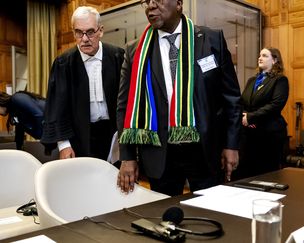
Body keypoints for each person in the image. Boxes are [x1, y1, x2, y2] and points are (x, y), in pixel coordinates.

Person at [117, 0, 241, 196]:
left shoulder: (211, 39)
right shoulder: (135, 52)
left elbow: (231, 98)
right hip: (159, 155)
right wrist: (127, 156)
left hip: (204, 150)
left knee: (209, 213)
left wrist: (231, 144)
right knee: (167, 219)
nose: (151, 6)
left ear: (179, 3)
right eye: (147, 1)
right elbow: (124, 107)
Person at [41, 6, 125, 160]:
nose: (85, 39)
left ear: (101, 30)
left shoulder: (118, 57)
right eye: (79, 32)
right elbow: (57, 107)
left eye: (90, 32)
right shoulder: (63, 63)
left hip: (114, 135)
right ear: (74, 33)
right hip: (78, 136)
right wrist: (64, 145)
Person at [236, 47, 289, 179]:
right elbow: (242, 102)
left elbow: (275, 105)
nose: (260, 58)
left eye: (265, 56)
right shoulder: (252, 80)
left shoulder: (280, 80)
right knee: (246, 173)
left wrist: (251, 117)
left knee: (266, 175)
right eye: (259, 55)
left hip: (269, 134)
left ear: (275, 60)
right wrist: (244, 116)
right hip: (249, 133)